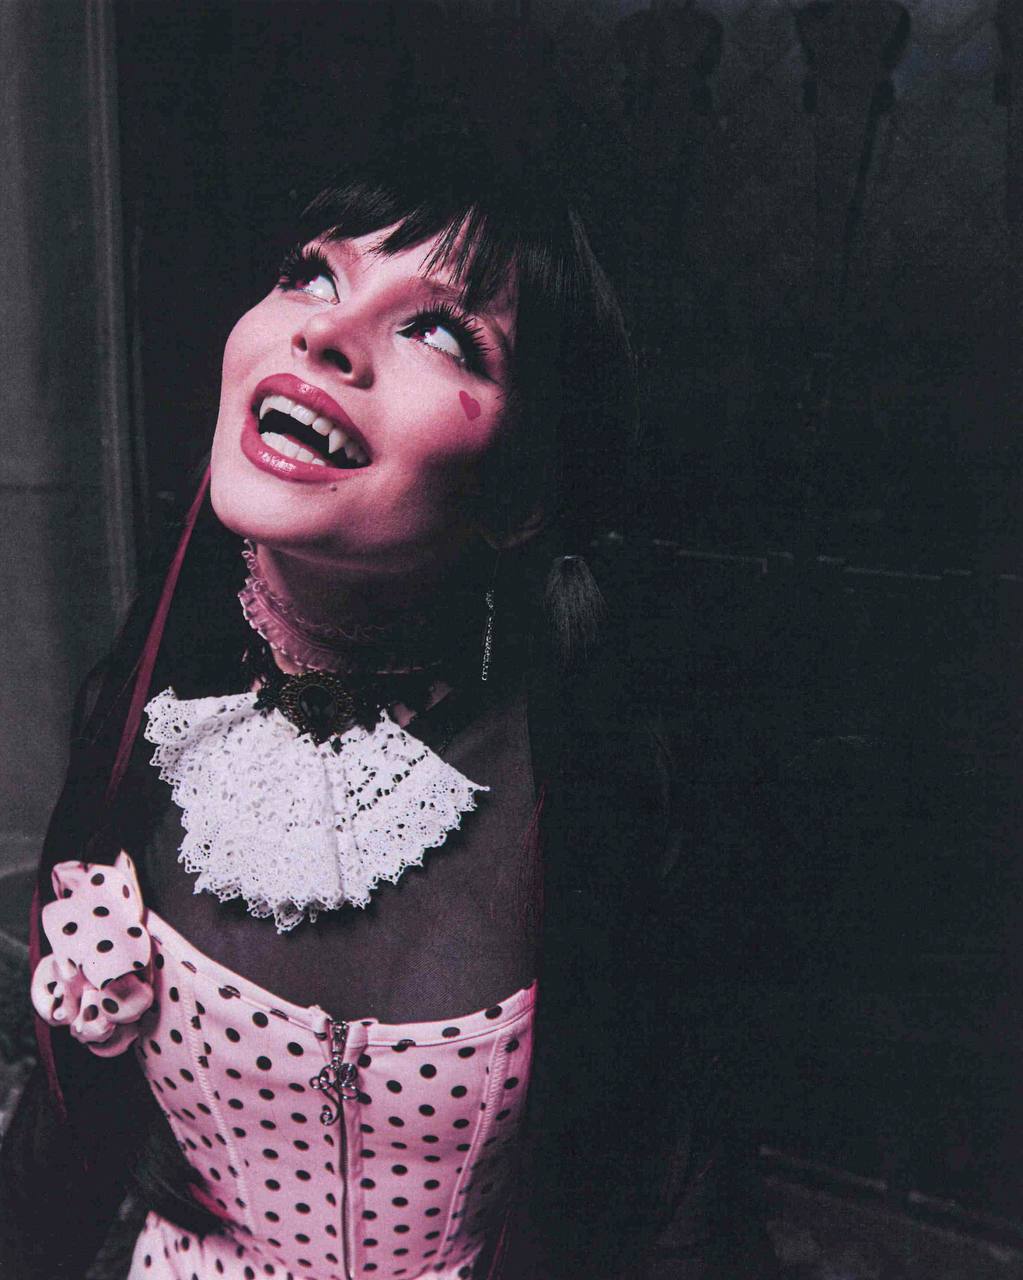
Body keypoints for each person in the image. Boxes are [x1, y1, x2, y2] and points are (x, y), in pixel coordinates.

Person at [0, 135, 777, 1279]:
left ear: (521, 494)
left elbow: (679, 1209)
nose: (325, 333)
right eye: (312, 272)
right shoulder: (150, 718)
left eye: (441, 332)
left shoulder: (596, 786)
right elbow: (56, 1160)